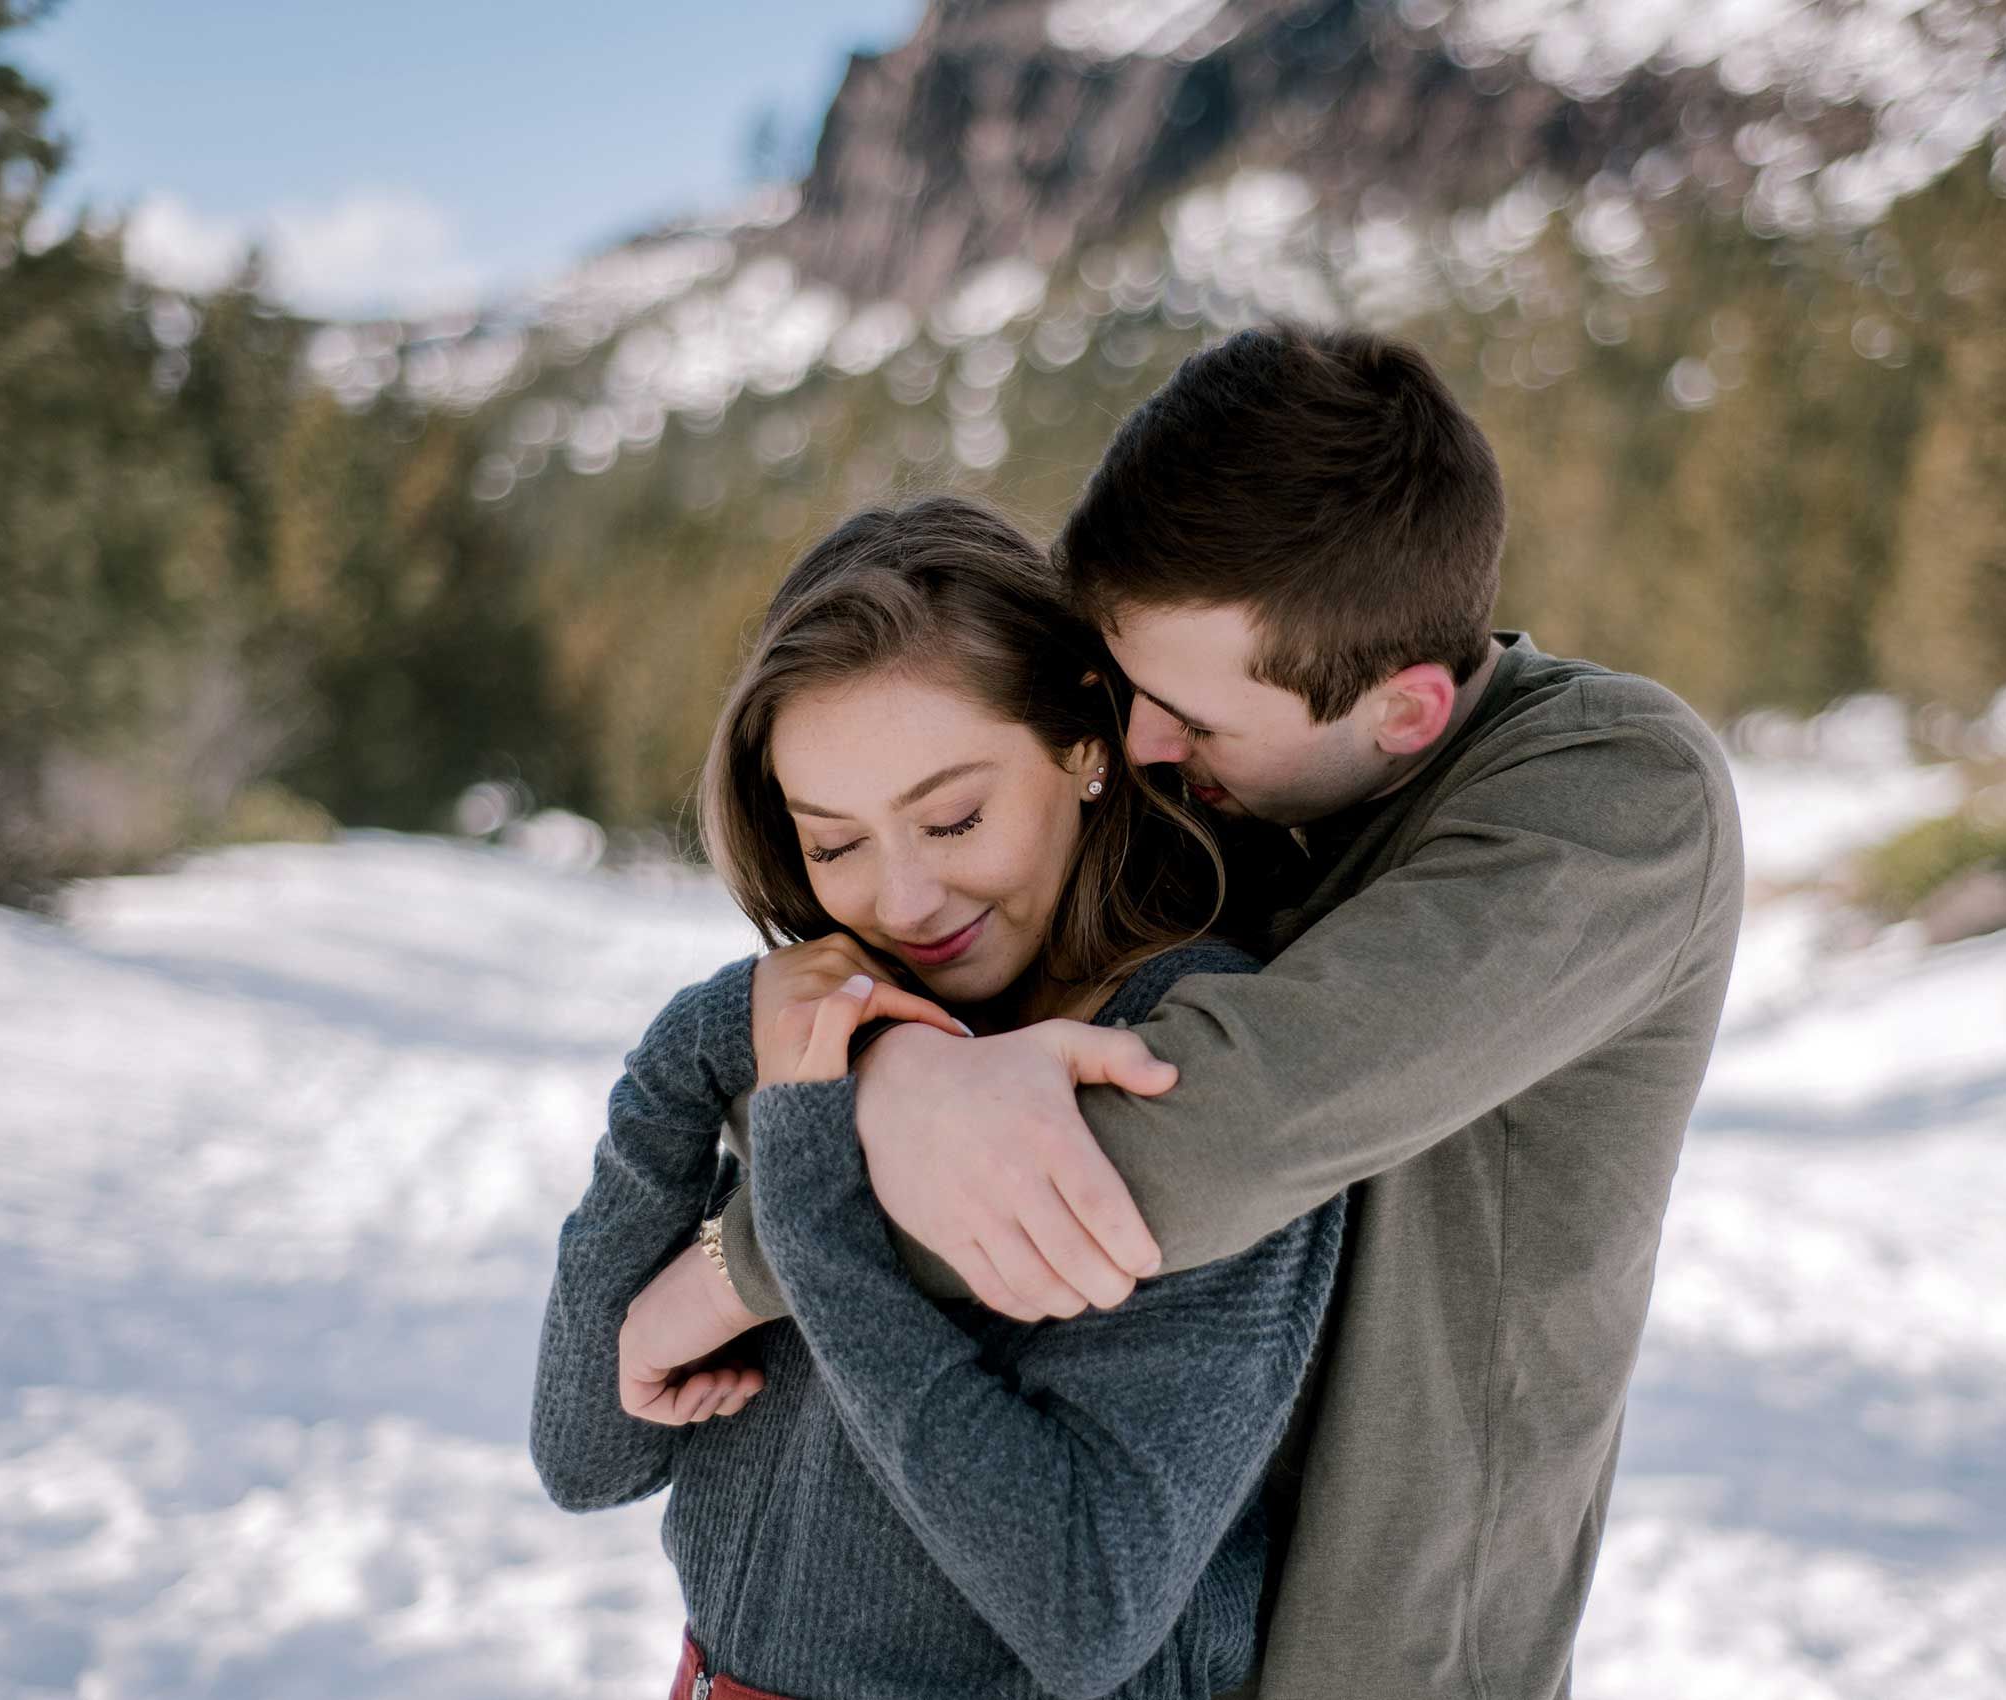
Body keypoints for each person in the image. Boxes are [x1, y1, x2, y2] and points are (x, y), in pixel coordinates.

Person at [629, 323, 1748, 1697]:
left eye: (1189, 718)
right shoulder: (1254, 789)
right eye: (1124, 688)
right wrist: (888, 1075)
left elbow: (1199, 1130)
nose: (1145, 749)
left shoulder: (1613, 803)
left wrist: (742, 1266)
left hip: (1384, 1656)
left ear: (1405, 712)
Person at [529, 494, 1347, 1700]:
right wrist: (709, 1033)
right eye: (834, 842)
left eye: (952, 816)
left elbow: (1087, 1602)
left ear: (1084, 741)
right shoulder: (836, 1031)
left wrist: (810, 1216)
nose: (901, 898)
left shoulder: (1183, 1056)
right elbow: (583, 1449)